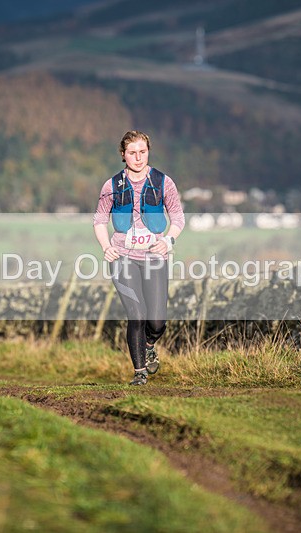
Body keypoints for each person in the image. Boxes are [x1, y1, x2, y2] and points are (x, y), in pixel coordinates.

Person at [93, 131, 185, 385]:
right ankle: (140, 372)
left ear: (148, 152)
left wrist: (168, 241)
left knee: (156, 322)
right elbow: (100, 220)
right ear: (123, 155)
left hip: (154, 257)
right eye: (132, 153)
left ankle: (148, 344)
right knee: (136, 313)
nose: (138, 157)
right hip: (122, 257)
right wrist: (105, 247)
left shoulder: (163, 182)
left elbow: (178, 217)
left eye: (142, 152)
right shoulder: (111, 186)